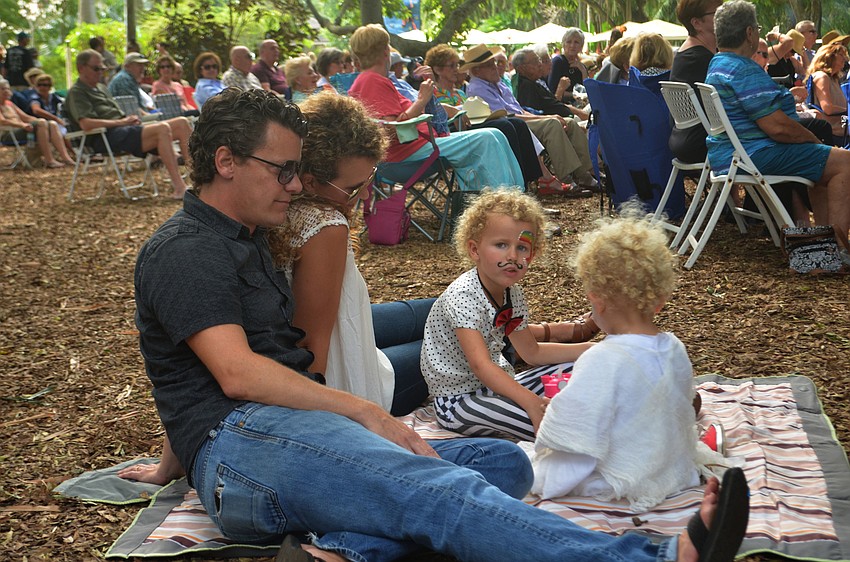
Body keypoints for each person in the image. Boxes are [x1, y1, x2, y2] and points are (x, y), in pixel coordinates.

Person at [125, 86, 748, 562]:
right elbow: (232, 374)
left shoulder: (246, 237)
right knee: (434, 489)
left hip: (284, 435)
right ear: (228, 161)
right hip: (243, 449)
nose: (295, 183)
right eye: (282, 169)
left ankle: (344, 547)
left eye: (297, 169)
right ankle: (658, 555)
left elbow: (196, 369)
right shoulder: (185, 250)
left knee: (505, 469)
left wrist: (169, 460)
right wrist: (366, 412)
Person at [530, 208, 725, 510]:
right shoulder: (674, 347)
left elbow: (575, 435)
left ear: (597, 299)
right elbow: (681, 406)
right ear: (658, 300)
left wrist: (552, 415)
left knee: (525, 467)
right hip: (671, 466)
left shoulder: (604, 358)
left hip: (622, 476)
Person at [421, 189, 595, 441]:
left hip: (499, 385)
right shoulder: (463, 295)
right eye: (501, 245)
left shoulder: (512, 294)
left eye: (522, 247)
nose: (513, 256)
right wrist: (532, 403)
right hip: (459, 402)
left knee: (582, 365)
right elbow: (481, 366)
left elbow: (531, 353)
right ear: (474, 250)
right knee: (555, 426)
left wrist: (590, 350)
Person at [705, 0, 850, 257]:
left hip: (731, 153)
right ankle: (834, 253)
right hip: (754, 154)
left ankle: (820, 250)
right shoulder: (743, 69)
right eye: (757, 28)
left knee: (825, 164)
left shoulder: (718, 64)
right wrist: (812, 139)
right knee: (846, 163)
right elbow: (778, 128)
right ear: (749, 33)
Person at [347, 25, 524, 193]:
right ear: (385, 51)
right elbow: (392, 129)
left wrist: (423, 102)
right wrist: (421, 100)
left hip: (415, 148)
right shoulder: (372, 81)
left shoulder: (367, 80)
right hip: (406, 155)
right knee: (487, 138)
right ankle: (503, 205)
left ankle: (514, 197)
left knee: (495, 134)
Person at [426, 43, 571, 194]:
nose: (457, 69)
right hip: (453, 132)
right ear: (437, 70)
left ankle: (526, 184)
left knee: (516, 124)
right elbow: (435, 117)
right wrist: (452, 110)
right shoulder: (433, 92)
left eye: (457, 65)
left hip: (473, 124)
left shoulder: (460, 92)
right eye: (452, 66)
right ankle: (521, 187)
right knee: (507, 125)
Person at [463, 43, 598, 195]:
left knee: (570, 123)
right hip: (509, 127)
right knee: (552, 124)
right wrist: (546, 117)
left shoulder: (499, 83)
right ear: (476, 70)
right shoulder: (477, 88)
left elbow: (519, 109)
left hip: (519, 119)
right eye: (489, 65)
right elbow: (505, 116)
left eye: (494, 62)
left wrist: (544, 116)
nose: (495, 67)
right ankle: (566, 179)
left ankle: (587, 173)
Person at [65, 50, 191, 198]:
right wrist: (122, 121)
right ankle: (179, 187)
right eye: (96, 68)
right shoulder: (77, 92)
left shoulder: (101, 88)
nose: (101, 72)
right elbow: (86, 124)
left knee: (182, 123)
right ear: (81, 68)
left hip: (124, 130)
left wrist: (129, 120)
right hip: (104, 137)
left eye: (103, 68)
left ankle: (199, 181)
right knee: (162, 128)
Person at [668, 0, 722, 164]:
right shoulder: (699, 59)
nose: (725, 16)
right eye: (717, 12)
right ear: (697, 23)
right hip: (703, 143)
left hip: (686, 141)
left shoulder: (688, 54)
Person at [0, 78, 75, 167]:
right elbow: (2, 121)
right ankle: (49, 160)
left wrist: (37, 121)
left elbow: (26, 117)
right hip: (8, 134)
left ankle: (66, 158)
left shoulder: (10, 104)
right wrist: (22, 125)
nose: (7, 91)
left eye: (8, 88)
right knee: (42, 123)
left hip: (22, 129)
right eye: (3, 89)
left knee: (52, 124)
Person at [526, 44, 589, 120]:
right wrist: (560, 89)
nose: (550, 63)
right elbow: (553, 108)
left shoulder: (542, 81)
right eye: (545, 61)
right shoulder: (533, 85)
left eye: (549, 59)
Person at [806, 42, 849, 145]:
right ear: (829, 56)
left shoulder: (834, 79)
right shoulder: (822, 77)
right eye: (841, 55)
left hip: (843, 126)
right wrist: (848, 110)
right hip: (834, 129)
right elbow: (828, 108)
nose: (845, 58)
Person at [548, 27, 588, 104]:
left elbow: (587, 90)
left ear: (581, 46)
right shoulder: (558, 62)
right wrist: (574, 95)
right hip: (562, 105)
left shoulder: (582, 66)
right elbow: (552, 90)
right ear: (563, 44)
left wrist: (583, 71)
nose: (572, 45)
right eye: (569, 42)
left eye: (576, 42)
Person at [27, 73, 68, 137]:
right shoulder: (34, 97)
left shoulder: (53, 97)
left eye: (45, 85)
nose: (42, 87)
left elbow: (65, 104)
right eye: (39, 85)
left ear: (50, 87)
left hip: (54, 124)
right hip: (41, 125)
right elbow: (36, 110)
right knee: (56, 126)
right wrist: (56, 119)